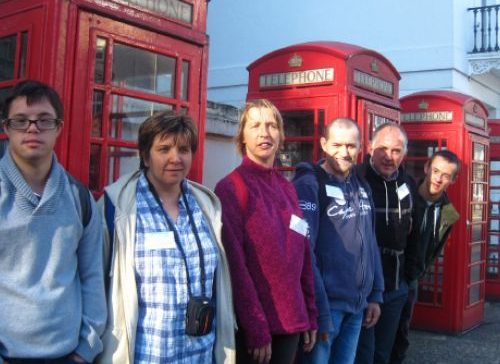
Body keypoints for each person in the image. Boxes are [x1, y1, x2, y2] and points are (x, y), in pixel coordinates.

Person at [97, 111, 236, 363]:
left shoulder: (207, 204)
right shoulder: (116, 205)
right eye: (164, 149)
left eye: (183, 149)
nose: (175, 158)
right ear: (145, 155)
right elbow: (95, 282)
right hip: (145, 354)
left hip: (201, 353)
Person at [0, 80, 106, 363]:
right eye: (21, 121)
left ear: (59, 127)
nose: (33, 128)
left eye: (44, 120)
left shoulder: (79, 197)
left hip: (68, 355)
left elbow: (92, 276)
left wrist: (86, 350)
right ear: (5, 127)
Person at [215, 99, 318, 364]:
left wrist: (309, 312)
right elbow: (235, 267)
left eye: (272, 126)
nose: (265, 132)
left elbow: (303, 256)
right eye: (256, 125)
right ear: (242, 136)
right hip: (258, 330)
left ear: (281, 135)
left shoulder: (287, 188)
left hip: (292, 322)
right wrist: (256, 327)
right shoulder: (231, 188)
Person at [293, 117, 384, 364]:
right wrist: (319, 310)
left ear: (360, 147)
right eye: (337, 145)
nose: (344, 152)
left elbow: (370, 240)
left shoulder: (360, 184)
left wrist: (376, 293)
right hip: (327, 308)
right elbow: (304, 250)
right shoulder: (309, 184)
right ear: (323, 144)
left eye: (351, 146)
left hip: (357, 306)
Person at [355, 122, 420, 364]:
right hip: (362, 285)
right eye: (383, 148)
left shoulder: (407, 184)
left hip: (395, 285)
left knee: (383, 354)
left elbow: (416, 234)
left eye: (396, 150)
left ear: (404, 154)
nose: (389, 157)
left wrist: (410, 277)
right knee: (362, 355)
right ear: (370, 147)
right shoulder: (356, 179)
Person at [390, 150, 460, 363]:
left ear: (453, 180)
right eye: (436, 171)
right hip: (387, 272)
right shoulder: (404, 192)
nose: (438, 178)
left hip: (410, 280)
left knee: (402, 333)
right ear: (427, 167)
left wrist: (419, 273)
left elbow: (434, 250)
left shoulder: (449, 214)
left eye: (446, 175)